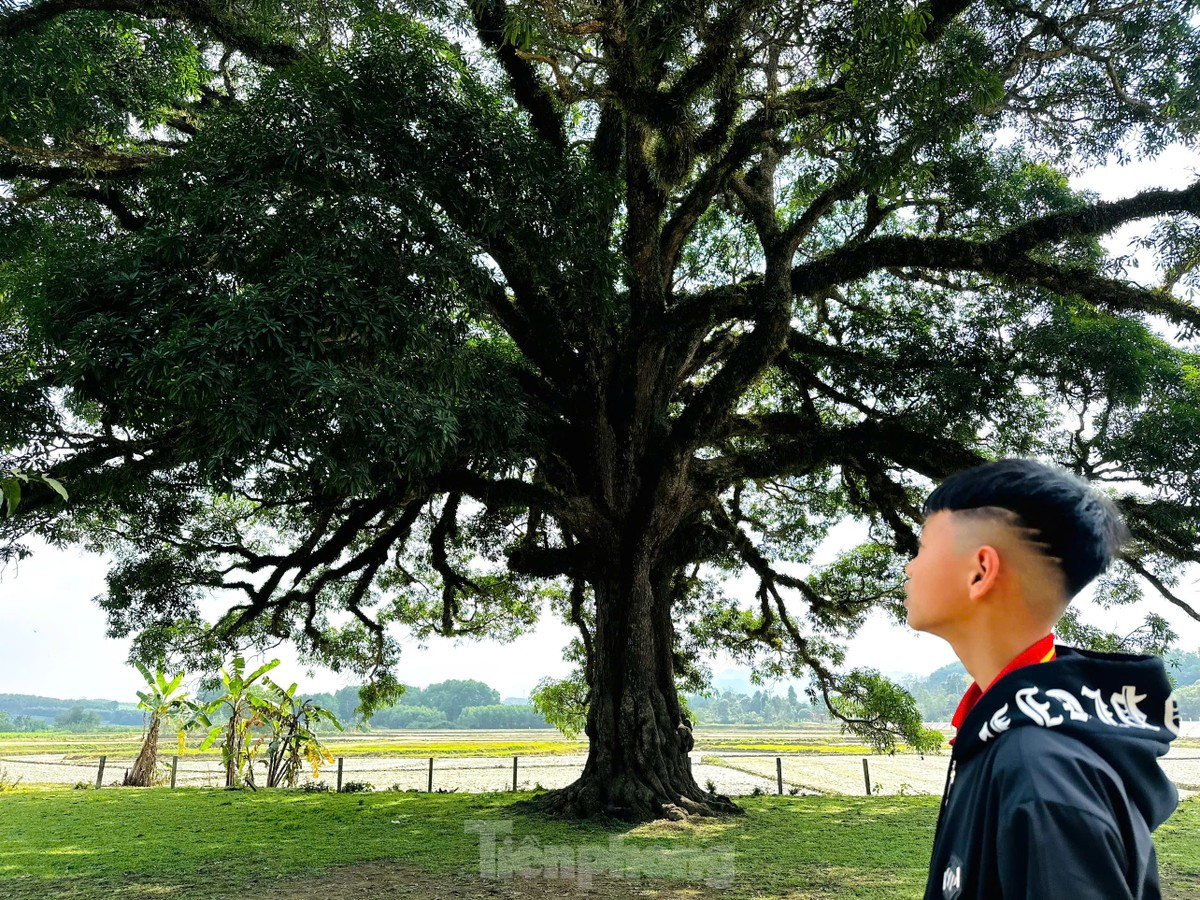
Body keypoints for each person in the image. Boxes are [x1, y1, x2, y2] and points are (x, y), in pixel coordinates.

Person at [904, 458, 1181, 899]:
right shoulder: (1005, 735)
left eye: (920, 547)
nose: (909, 567)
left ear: (980, 570)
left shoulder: (1039, 771)